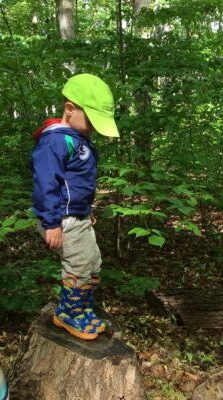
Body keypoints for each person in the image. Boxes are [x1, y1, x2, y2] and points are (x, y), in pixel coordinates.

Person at [32, 74, 119, 340]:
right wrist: (51, 223)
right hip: (61, 219)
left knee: (93, 262)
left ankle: (81, 308)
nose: (93, 126)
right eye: (91, 119)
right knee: (78, 265)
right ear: (70, 109)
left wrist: (85, 211)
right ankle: (68, 313)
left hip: (78, 216)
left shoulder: (77, 137)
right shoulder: (56, 141)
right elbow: (46, 184)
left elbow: (76, 184)